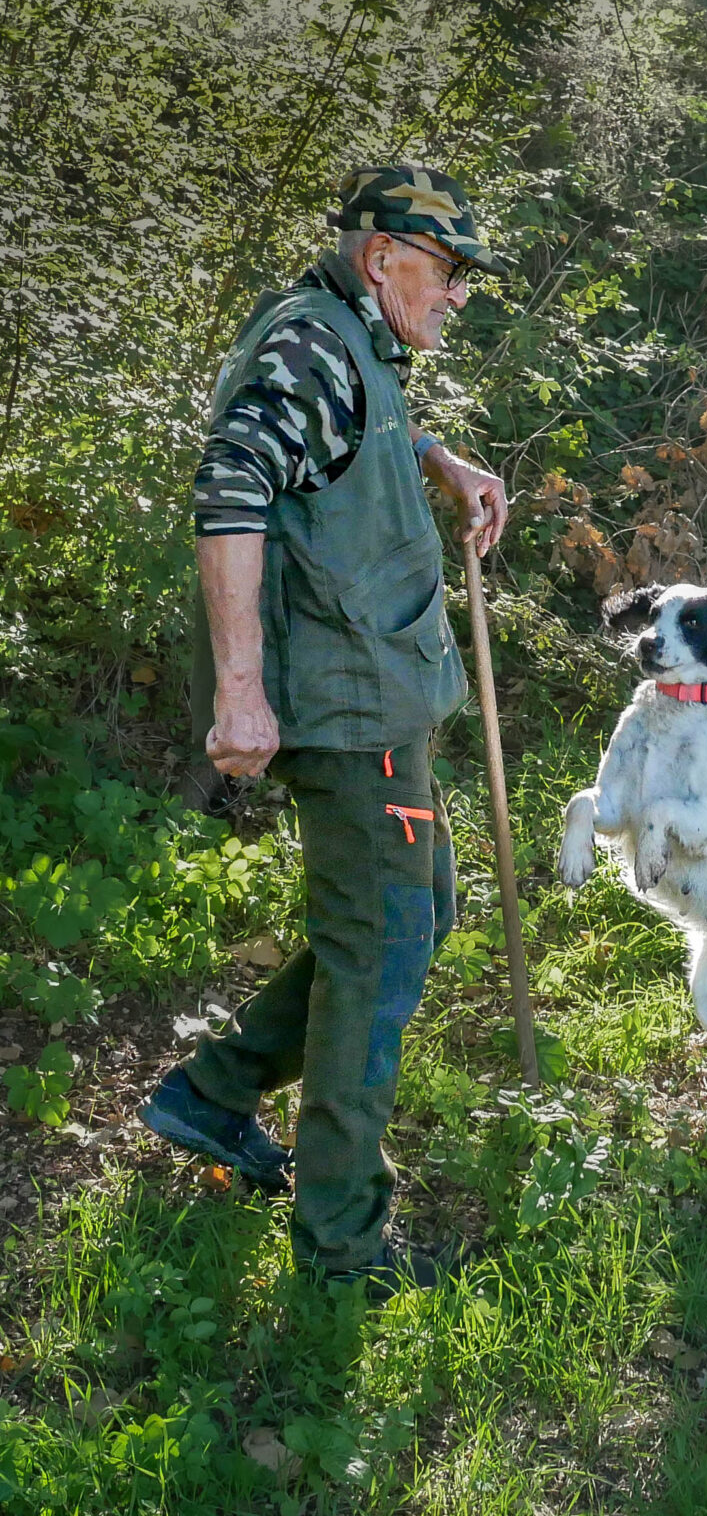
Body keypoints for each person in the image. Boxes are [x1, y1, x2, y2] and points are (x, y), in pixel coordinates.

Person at [138, 164, 509, 1296]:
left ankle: (208, 1096)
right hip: (348, 717)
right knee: (380, 956)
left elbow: (335, 451)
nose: (453, 297)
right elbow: (233, 486)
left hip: (378, 699)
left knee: (418, 916)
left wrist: (432, 455)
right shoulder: (309, 340)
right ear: (379, 253)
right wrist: (240, 688)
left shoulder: (353, 341)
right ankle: (343, 1250)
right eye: (444, 272)